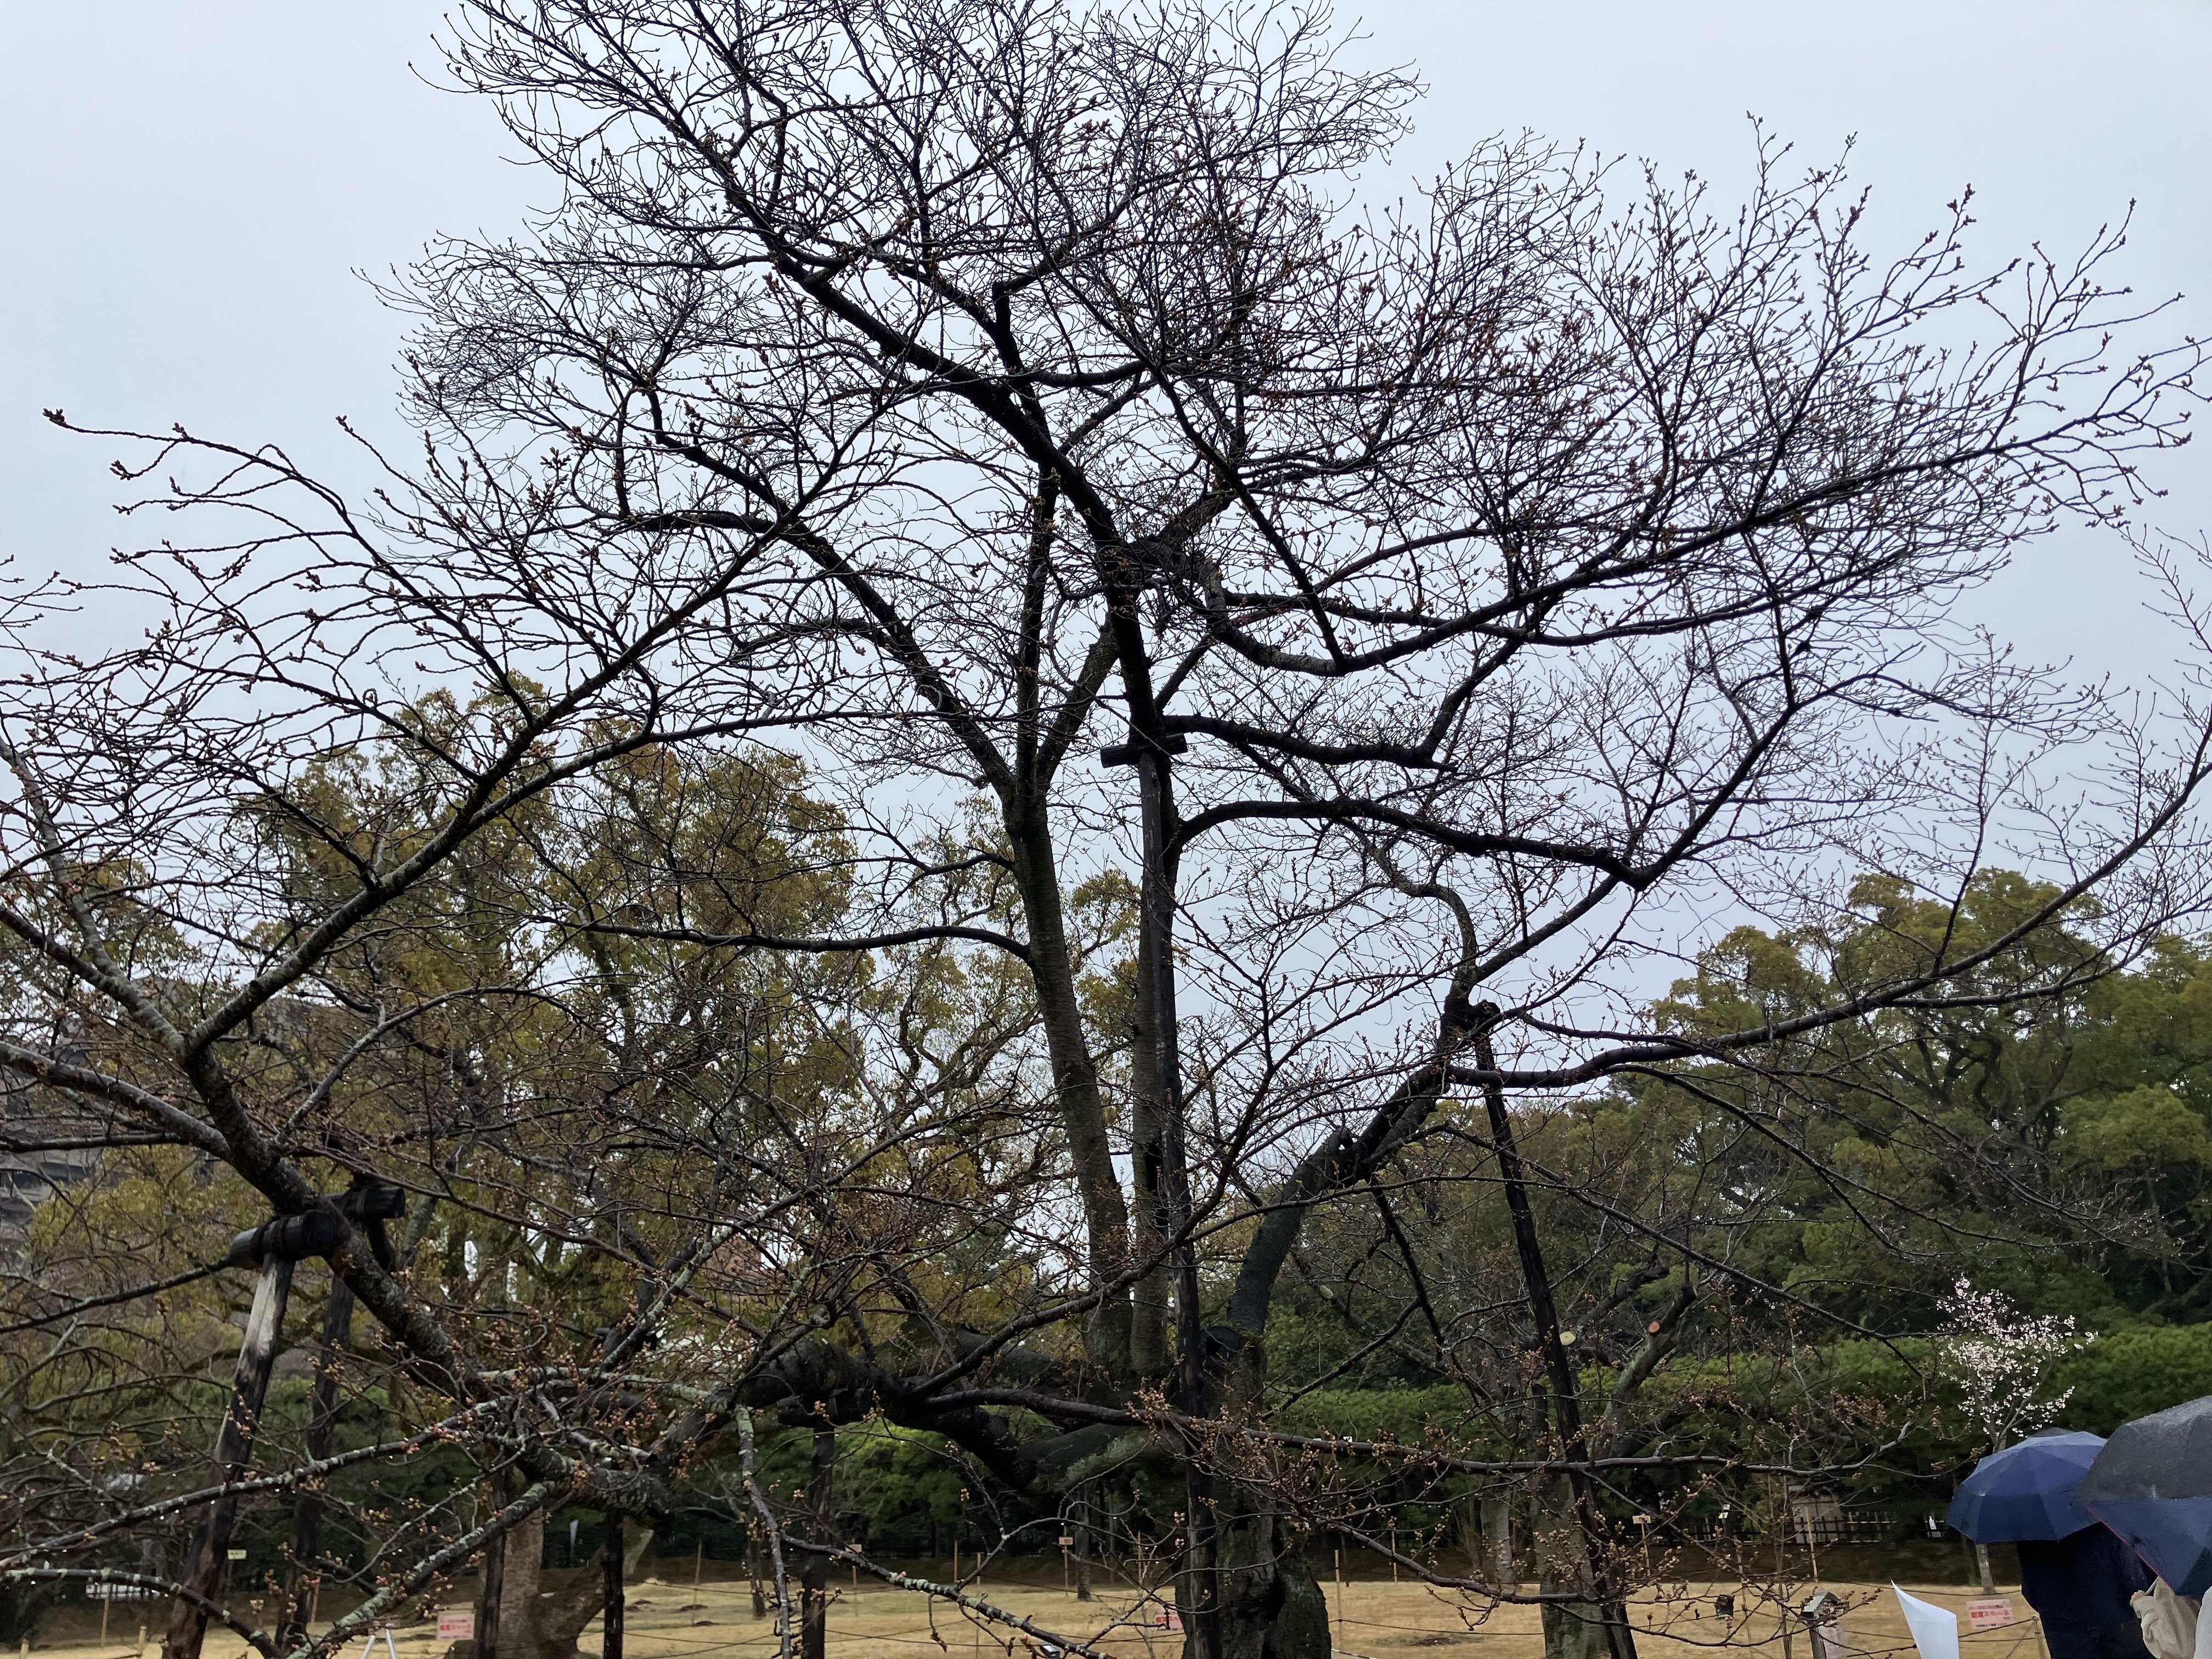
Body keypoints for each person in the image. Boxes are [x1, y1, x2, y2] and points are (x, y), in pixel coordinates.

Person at [2015, 1525, 2154, 1659]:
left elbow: (2030, 1591)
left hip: (2063, 1635)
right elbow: (2130, 1574)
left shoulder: (2030, 1537)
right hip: (2116, 1624)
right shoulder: (2098, 1519)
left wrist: (2054, 1613)